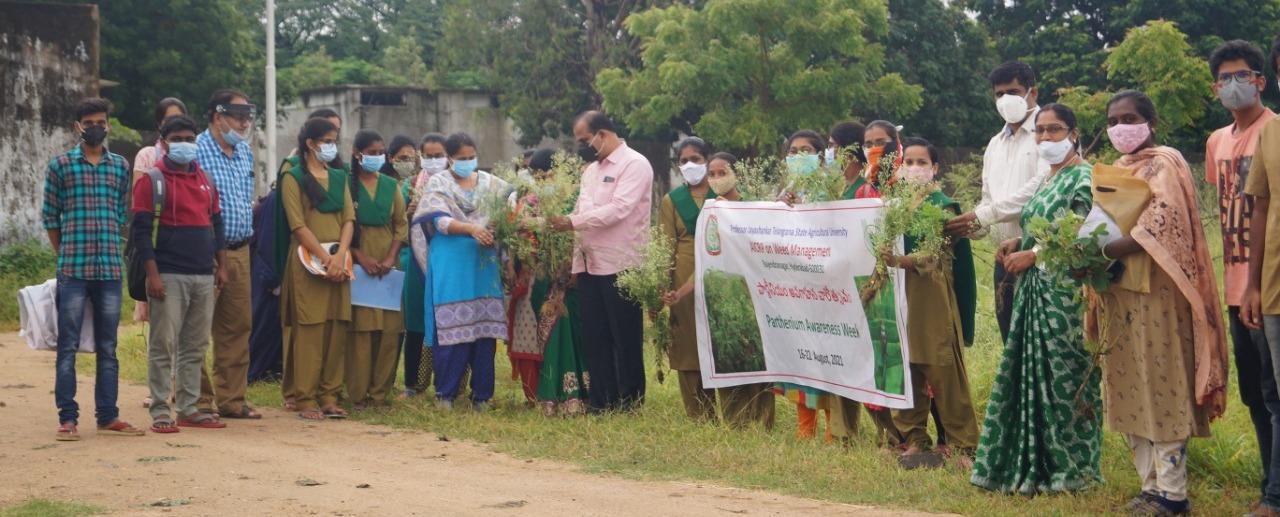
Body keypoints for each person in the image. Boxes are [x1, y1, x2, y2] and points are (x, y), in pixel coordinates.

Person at [1094, 90, 1227, 516]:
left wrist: (1103, 251)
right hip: (1120, 296)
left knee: (1164, 383)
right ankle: (1149, 486)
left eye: (1129, 117)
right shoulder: (1114, 169)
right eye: (1113, 120)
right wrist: (1084, 253)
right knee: (1128, 383)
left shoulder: (1165, 163)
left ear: (1151, 121)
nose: (1120, 127)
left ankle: (1173, 492)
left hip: (1161, 294)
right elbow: (1099, 223)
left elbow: (1161, 223)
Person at [970, 103, 1101, 493]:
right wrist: (1018, 241)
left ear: (1074, 134)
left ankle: (1072, 469)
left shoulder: (1085, 177)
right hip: (1033, 291)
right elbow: (1041, 226)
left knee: (1064, 378)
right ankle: (1033, 463)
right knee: (1027, 377)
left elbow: (1086, 233)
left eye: (1055, 130)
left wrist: (1036, 254)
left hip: (1065, 295)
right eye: (1041, 131)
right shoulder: (1047, 178)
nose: (1046, 138)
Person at [1205, 39, 1280, 517]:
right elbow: (1224, 206)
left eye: (1242, 76)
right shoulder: (1216, 142)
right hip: (1234, 283)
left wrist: (1255, 283)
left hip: (1268, 283)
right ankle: (1267, 481)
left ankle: (1275, 495)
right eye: (1224, 78)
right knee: (1254, 392)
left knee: (1276, 392)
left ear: (1261, 80)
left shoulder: (1273, 131)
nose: (1233, 85)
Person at [43, 97, 145, 440]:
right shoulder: (60, 166)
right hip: (73, 268)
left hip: (109, 271)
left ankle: (108, 415)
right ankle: (68, 418)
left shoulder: (119, 166)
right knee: (68, 346)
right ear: (78, 127)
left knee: (108, 347)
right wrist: (63, 254)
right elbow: (50, 216)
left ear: (108, 124)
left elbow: (120, 213)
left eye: (100, 121)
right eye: (88, 123)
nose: (95, 127)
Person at [546, 111, 654, 412]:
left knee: (625, 336)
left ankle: (629, 401)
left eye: (584, 139)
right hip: (589, 262)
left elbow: (619, 209)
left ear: (602, 134)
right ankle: (601, 400)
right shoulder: (590, 170)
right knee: (596, 336)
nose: (582, 146)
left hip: (622, 262)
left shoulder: (635, 164)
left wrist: (573, 221)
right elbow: (584, 210)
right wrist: (573, 257)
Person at [886, 138, 979, 470]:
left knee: (942, 369)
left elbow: (933, 254)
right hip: (897, 295)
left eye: (921, 162)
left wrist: (900, 259)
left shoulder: (944, 205)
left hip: (931, 296)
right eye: (907, 162)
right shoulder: (892, 207)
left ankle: (964, 445)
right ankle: (915, 441)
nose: (913, 168)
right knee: (904, 367)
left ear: (935, 168)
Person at [132, 115, 228, 433]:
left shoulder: (206, 180)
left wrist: (222, 265)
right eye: (178, 139)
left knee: (195, 345)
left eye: (190, 138)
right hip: (168, 275)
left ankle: (188, 407)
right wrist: (153, 275)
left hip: (203, 274)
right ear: (164, 142)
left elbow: (217, 224)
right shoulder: (152, 180)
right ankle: (161, 410)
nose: (185, 144)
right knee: (163, 344)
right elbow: (141, 233)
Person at [945, 61, 1051, 343]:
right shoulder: (995, 144)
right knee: (1011, 345)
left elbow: (1041, 188)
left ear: (1033, 93)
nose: (1006, 100)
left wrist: (986, 214)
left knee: (1042, 346)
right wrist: (970, 227)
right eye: (999, 94)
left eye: (1014, 91)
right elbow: (989, 199)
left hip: (1042, 256)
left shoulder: (1051, 133)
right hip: (1004, 261)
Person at [672, 151, 777, 428]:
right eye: (713, 174)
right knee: (728, 356)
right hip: (723, 297)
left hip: (752, 295)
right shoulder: (711, 213)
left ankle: (763, 420)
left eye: (723, 172)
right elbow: (707, 259)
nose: (717, 179)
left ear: (736, 174)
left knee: (756, 359)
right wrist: (681, 291)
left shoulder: (751, 207)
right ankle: (737, 423)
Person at [775, 130, 865, 442]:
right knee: (802, 354)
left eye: (806, 150)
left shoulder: (833, 188)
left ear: (819, 155)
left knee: (829, 354)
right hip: (796, 286)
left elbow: (839, 229)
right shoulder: (785, 190)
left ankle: (832, 427)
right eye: (793, 150)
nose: (799, 156)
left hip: (828, 285)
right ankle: (805, 425)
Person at [413, 132, 510, 411]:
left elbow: (511, 208)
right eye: (461, 159)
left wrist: (499, 228)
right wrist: (471, 228)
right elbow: (440, 221)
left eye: (471, 157)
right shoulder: (439, 183)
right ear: (450, 158)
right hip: (452, 262)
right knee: (451, 327)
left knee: (484, 330)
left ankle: (482, 395)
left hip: (483, 263)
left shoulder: (492, 184)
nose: (467, 163)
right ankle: (446, 393)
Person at [276, 117, 355, 420]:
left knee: (337, 327)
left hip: (340, 261)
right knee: (310, 329)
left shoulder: (339, 177)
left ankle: (330, 395)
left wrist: (340, 255)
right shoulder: (293, 178)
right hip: (307, 261)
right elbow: (297, 225)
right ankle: (305, 397)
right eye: (326, 140)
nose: (331, 146)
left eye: (334, 140)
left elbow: (349, 219)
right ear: (310, 144)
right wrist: (323, 257)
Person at [195, 89, 262, 420]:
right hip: (203, 252)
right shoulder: (195, 151)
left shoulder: (245, 153)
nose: (244, 123)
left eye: (248, 117)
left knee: (237, 327)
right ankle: (197, 401)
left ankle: (233, 400)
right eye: (238, 116)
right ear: (217, 116)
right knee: (195, 330)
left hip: (240, 250)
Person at [518, 148, 591, 415]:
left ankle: (577, 395)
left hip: (571, 276)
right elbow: (521, 238)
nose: (544, 181)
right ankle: (549, 396)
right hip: (541, 278)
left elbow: (579, 233)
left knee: (570, 332)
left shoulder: (575, 197)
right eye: (539, 177)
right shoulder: (529, 201)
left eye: (549, 175)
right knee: (548, 334)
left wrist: (569, 269)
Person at [1243, 35, 1280, 517]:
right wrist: (1251, 284)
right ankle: (1275, 497)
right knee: (1276, 394)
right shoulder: (1272, 134)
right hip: (1274, 286)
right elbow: (1260, 206)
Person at [658, 137, 719, 421]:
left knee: (720, 342)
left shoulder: (722, 194)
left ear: (707, 160)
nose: (690, 165)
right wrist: (662, 285)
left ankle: (730, 409)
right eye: (683, 161)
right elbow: (665, 246)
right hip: (683, 277)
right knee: (688, 344)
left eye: (695, 159)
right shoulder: (672, 201)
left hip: (719, 274)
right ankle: (698, 413)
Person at [133, 97, 189, 408]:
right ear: (160, 126)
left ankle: (182, 389)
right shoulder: (147, 156)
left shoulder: (194, 159)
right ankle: (158, 388)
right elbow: (140, 206)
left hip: (187, 253)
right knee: (162, 330)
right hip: (158, 250)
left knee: (187, 332)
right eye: (170, 122)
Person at [346, 130, 407, 409]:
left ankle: (380, 393)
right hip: (357, 266)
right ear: (358, 154)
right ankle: (358, 393)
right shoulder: (346, 184)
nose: (378, 157)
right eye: (372, 152)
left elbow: (400, 224)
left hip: (387, 267)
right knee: (361, 330)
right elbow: (341, 224)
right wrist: (360, 257)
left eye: (380, 151)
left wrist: (389, 258)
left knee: (389, 330)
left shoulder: (389, 185)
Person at [400, 132, 446, 399]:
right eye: (428, 156)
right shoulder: (409, 185)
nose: (433, 161)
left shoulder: (455, 184)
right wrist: (408, 214)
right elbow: (397, 225)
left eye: (438, 156)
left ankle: (446, 382)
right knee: (416, 321)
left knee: (446, 321)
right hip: (417, 262)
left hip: (446, 260)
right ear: (420, 156)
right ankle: (413, 384)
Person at [827, 121, 867, 199]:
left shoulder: (869, 186)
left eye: (832, 145)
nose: (829, 150)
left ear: (848, 149)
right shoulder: (835, 185)